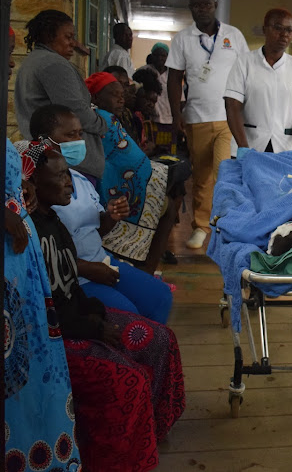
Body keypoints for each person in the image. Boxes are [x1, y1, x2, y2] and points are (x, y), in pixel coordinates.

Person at [21, 141, 185, 471]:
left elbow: (70, 290)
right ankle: (117, 458)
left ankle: (148, 431)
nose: (69, 181)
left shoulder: (54, 222)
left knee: (161, 341)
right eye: (61, 176)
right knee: (131, 379)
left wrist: (95, 312)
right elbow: (52, 309)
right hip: (56, 338)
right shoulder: (29, 234)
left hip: (79, 317)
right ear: (33, 184)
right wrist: (97, 326)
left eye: (68, 174)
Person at [4, 26, 82, 472]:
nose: (13, 65)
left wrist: (19, 190)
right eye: (7, 55)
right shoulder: (39, 148)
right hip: (16, 276)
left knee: (29, 386)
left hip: (25, 283)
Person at [27, 104, 175, 324]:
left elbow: (95, 230)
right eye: (70, 135)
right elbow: (41, 253)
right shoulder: (35, 189)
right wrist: (87, 269)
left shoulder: (80, 179)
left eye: (80, 134)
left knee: (160, 297)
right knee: (129, 317)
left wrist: (111, 217)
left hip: (100, 262)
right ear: (45, 140)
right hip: (73, 277)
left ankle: (143, 353)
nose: (79, 141)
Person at [166, 0, 249, 250]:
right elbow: (174, 79)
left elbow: (247, 72)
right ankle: (201, 227)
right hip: (196, 117)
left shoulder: (233, 36)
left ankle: (225, 225)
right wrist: (176, 113)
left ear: (215, 5)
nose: (202, 9)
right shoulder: (183, 39)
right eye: (196, 5)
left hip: (229, 117)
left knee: (223, 172)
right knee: (201, 176)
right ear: (190, 9)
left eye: (207, 4)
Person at [84, 72, 176, 275]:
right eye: (114, 94)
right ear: (96, 97)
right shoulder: (103, 119)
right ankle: (147, 273)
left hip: (105, 185)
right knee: (169, 206)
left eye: (122, 93)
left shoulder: (107, 117)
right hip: (106, 192)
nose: (121, 98)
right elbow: (131, 159)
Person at [14, 9, 108, 181]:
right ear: (50, 36)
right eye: (68, 37)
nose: (73, 43)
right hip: (69, 165)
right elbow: (76, 110)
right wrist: (102, 124)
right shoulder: (53, 64)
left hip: (51, 159)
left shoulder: (34, 60)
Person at [225, 8, 292, 160]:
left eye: (289, 30)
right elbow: (233, 106)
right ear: (264, 29)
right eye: (278, 28)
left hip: (286, 149)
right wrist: (243, 146)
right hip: (249, 145)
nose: (284, 34)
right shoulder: (244, 62)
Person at [149, 42, 183, 154]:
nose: (160, 58)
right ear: (152, 56)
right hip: (151, 120)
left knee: (169, 153)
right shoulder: (145, 71)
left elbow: (181, 100)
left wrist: (178, 119)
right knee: (152, 151)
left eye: (163, 55)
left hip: (170, 121)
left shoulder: (172, 75)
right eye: (157, 55)